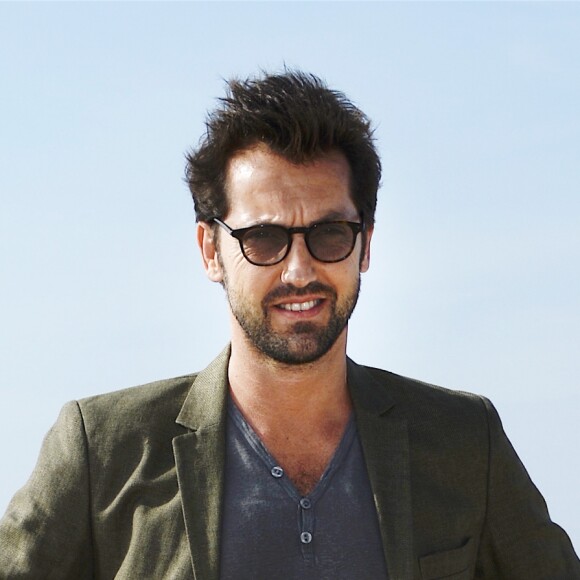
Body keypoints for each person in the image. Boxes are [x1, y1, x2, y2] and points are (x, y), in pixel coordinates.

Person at [0, 70, 578, 580]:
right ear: (210, 250)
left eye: (330, 235)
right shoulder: (102, 452)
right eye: (263, 239)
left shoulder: (462, 442)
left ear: (365, 246)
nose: (299, 270)